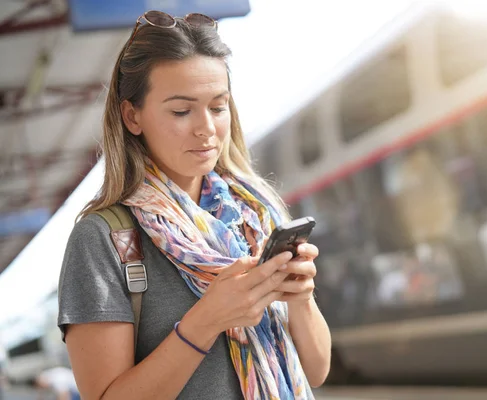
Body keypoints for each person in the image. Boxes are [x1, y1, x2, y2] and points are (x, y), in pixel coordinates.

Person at [57, 10, 331, 400]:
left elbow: (317, 371)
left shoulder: (257, 216)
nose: (206, 128)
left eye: (218, 107)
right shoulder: (102, 239)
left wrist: (302, 300)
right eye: (181, 111)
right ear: (132, 116)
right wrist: (205, 321)